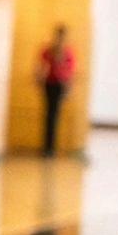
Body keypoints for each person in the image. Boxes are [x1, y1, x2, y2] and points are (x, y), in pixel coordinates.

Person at [36, 24, 76, 156]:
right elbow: (41, 66)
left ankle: (51, 148)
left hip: (60, 85)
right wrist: (39, 78)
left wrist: (68, 88)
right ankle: (46, 147)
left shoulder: (67, 52)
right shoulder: (48, 50)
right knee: (49, 115)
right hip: (49, 84)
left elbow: (69, 72)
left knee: (55, 115)